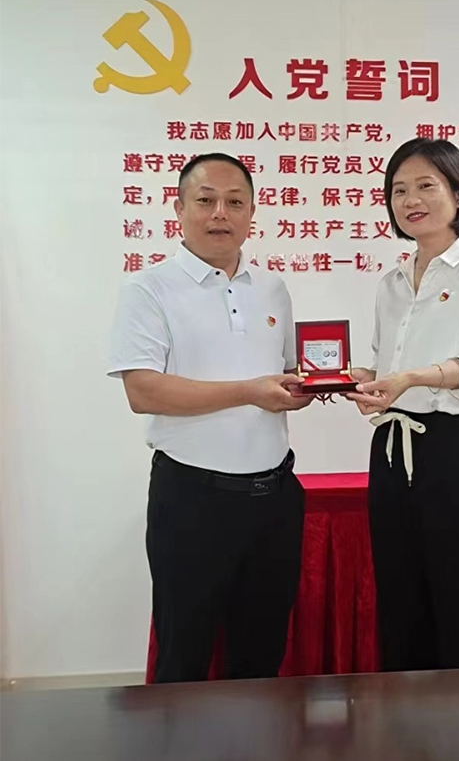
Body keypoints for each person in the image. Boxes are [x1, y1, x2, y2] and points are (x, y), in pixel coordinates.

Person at [108, 152, 313, 683]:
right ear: (179, 209)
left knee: (261, 655)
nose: (221, 213)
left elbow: (285, 374)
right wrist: (249, 392)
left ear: (252, 214)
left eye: (235, 202)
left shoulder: (272, 288)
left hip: (274, 498)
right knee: (185, 655)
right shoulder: (148, 289)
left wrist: (316, 385)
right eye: (206, 200)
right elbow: (143, 391)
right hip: (193, 500)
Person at [346, 138, 459, 672]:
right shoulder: (391, 283)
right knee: (401, 603)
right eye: (399, 190)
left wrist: (414, 378)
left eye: (426, 186)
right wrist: (360, 381)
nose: (410, 200)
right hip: (391, 450)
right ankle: (406, 721)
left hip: (454, 450)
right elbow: (389, 367)